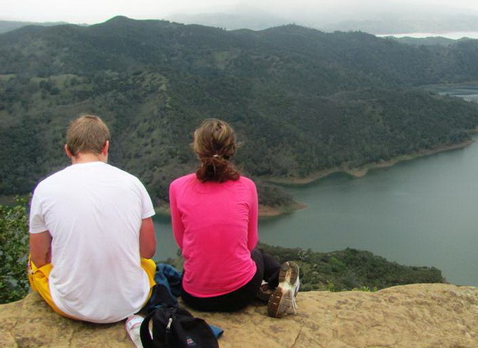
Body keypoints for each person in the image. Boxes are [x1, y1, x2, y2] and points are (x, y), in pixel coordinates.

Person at [28, 115, 158, 324]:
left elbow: (39, 258)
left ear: (68, 150)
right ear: (106, 147)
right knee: (148, 264)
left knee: (33, 267)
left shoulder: (45, 188)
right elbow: (147, 251)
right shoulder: (133, 183)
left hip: (70, 306)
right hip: (131, 301)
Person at [169, 118, 299, 316]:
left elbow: (182, 242)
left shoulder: (177, 187)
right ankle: (279, 283)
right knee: (257, 255)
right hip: (239, 295)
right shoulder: (246, 186)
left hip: (194, 296)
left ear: (197, 150)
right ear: (232, 149)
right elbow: (249, 243)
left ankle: (271, 286)